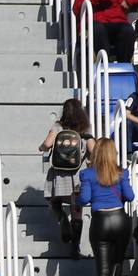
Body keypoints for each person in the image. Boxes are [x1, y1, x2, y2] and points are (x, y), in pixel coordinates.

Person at [75, 138, 134, 276]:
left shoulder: (87, 174)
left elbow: (84, 199)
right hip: (120, 220)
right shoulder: (121, 173)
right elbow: (130, 196)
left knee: (102, 269)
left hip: (100, 220)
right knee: (118, 263)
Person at [40, 98, 91, 256]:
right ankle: (75, 247)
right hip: (77, 175)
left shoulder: (58, 126)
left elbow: (47, 144)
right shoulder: (84, 129)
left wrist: (41, 147)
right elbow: (94, 151)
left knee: (53, 200)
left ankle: (62, 219)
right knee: (77, 210)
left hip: (58, 174)